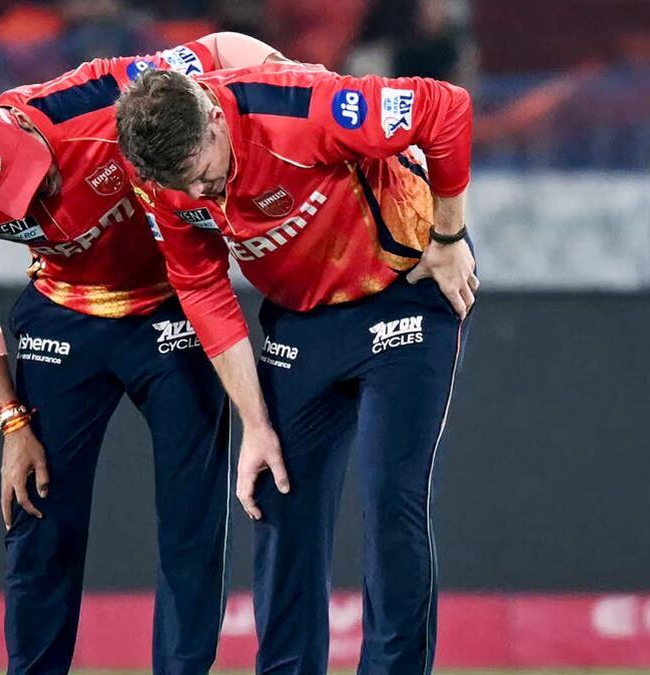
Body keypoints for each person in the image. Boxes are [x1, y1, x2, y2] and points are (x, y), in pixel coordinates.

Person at [0, 33, 285, 675]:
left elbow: (222, 49)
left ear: (23, 128)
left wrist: (306, 82)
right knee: (37, 515)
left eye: (35, 175)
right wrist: (11, 416)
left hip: (171, 305)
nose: (40, 196)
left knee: (192, 521)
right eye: (16, 199)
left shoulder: (108, 92)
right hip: (63, 314)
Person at [116, 64, 476, 674]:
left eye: (204, 173)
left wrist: (449, 237)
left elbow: (447, 109)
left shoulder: (303, 108)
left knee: (390, 500)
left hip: (403, 290)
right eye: (185, 186)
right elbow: (202, 288)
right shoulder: (163, 174)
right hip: (303, 321)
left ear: (213, 117)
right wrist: (255, 425)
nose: (202, 196)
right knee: (277, 497)